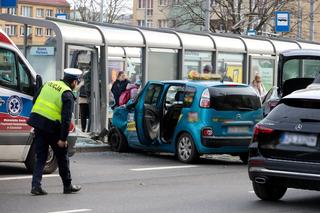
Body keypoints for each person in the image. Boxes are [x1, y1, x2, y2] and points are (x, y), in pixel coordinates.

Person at [27, 68, 82, 196]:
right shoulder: (67, 94)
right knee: (62, 157)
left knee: (41, 157)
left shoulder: (48, 84)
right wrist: (63, 139)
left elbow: (35, 100)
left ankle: (36, 186)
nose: (77, 85)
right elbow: (66, 120)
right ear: (74, 82)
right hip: (52, 129)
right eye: (77, 83)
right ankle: (67, 186)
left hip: (38, 125)